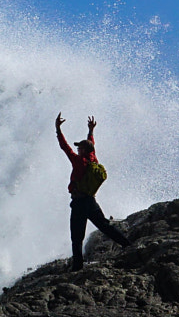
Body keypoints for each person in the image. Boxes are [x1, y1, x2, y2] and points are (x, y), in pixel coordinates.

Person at [56, 112, 130, 270]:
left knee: (77, 237)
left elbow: (65, 147)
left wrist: (58, 129)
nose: (77, 150)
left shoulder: (79, 161)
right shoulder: (93, 158)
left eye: (79, 148)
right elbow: (91, 144)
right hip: (91, 201)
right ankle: (127, 244)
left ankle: (77, 267)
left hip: (79, 203)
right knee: (104, 226)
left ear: (83, 150)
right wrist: (90, 131)